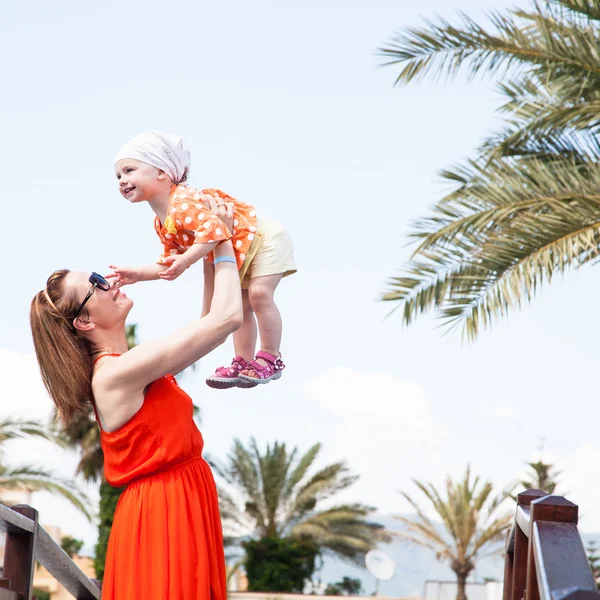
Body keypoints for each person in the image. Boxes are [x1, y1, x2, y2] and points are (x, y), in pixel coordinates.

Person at [29, 201, 242, 600]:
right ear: (84, 322)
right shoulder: (113, 374)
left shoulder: (125, 366)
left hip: (176, 499)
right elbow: (227, 319)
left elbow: (209, 320)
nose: (111, 282)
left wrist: (212, 248)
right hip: (163, 510)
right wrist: (223, 239)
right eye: (97, 282)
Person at [110, 130, 296, 388]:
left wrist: (186, 260)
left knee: (259, 295)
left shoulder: (182, 203)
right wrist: (139, 274)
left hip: (263, 238)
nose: (122, 179)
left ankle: (270, 357)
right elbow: (171, 260)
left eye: (130, 170)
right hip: (240, 249)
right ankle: (243, 360)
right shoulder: (163, 221)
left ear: (162, 173)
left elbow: (215, 230)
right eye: (118, 175)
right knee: (239, 306)